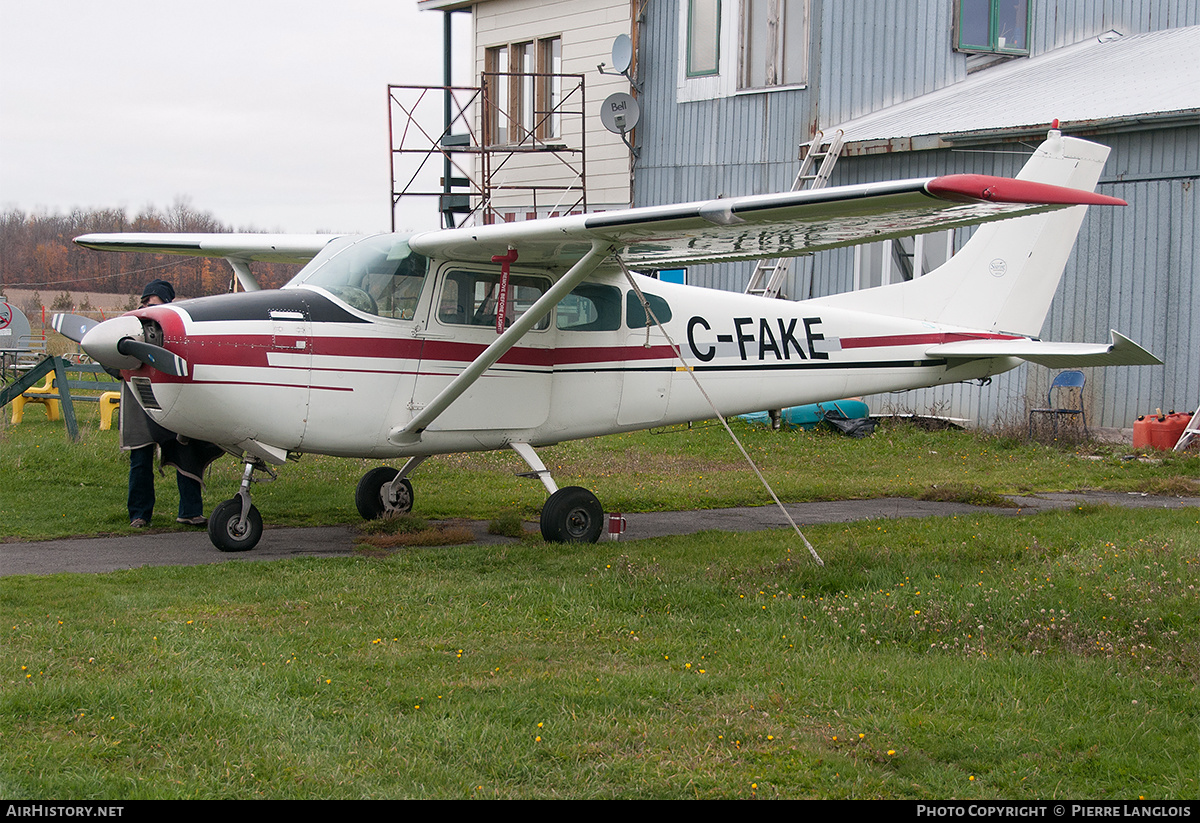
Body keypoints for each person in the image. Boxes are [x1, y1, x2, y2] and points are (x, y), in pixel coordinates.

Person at [121, 279, 218, 528]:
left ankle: (190, 511)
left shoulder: (178, 329)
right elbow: (113, 361)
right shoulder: (127, 327)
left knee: (186, 454)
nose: (146, 304)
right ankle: (139, 515)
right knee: (140, 460)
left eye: (152, 300)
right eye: (145, 300)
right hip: (140, 401)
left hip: (174, 400)